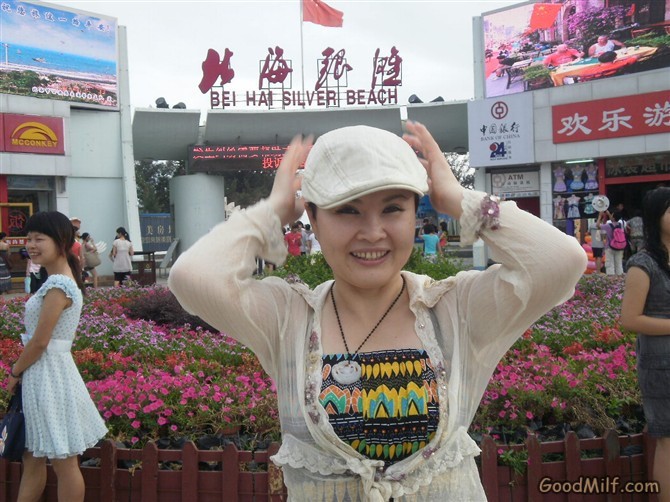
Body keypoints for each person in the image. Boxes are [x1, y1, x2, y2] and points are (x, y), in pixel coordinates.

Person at [168, 122, 585, 501]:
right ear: (312, 216)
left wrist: (458, 199)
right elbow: (192, 277)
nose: (372, 232)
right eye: (347, 210)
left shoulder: (455, 310)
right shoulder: (287, 318)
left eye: (392, 208)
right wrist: (274, 209)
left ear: (415, 212)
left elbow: (560, 260)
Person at [5, 211, 108, 502]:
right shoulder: (58, 282)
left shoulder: (58, 286)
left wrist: (14, 372)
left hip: (49, 376)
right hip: (46, 374)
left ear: (61, 241)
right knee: (33, 457)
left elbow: (40, 342)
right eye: (28, 238)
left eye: (39, 238)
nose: (31, 245)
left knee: (63, 462)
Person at [620, 187, 670, 502]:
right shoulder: (643, 263)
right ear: (656, 217)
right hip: (661, 364)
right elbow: (630, 319)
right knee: (668, 441)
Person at [600, 210, 626, 276]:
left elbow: (598, 225)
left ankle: (611, 278)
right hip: (619, 246)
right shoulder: (621, 224)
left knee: (609, 264)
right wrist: (609, 215)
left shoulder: (607, 226)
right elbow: (613, 220)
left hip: (609, 247)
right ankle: (620, 278)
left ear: (613, 217)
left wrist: (600, 216)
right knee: (619, 264)